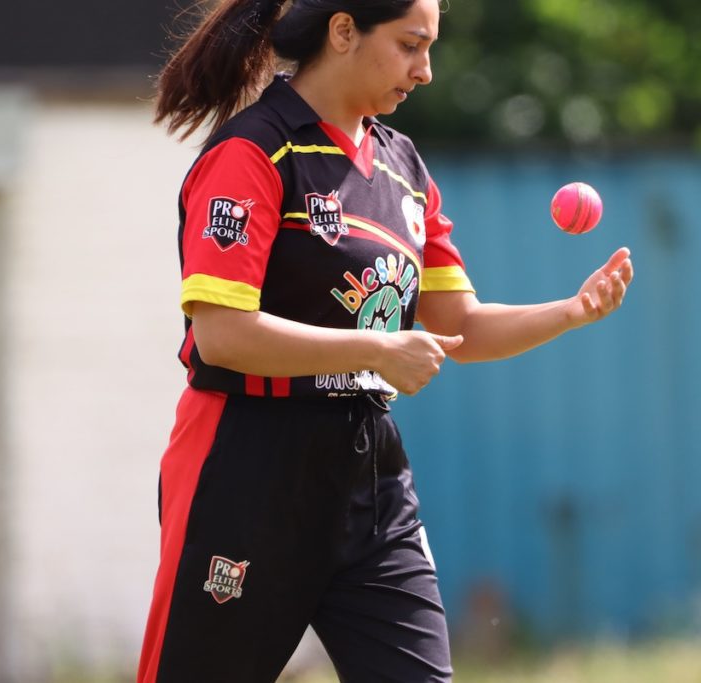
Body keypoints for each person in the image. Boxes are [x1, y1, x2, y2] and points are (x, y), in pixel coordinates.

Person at [137, 0, 634, 680]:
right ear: (344, 31)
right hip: (243, 466)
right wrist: (373, 350)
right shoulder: (252, 152)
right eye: (410, 45)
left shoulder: (403, 168)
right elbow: (223, 335)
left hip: (368, 479)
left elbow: (460, 324)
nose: (425, 71)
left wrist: (572, 311)